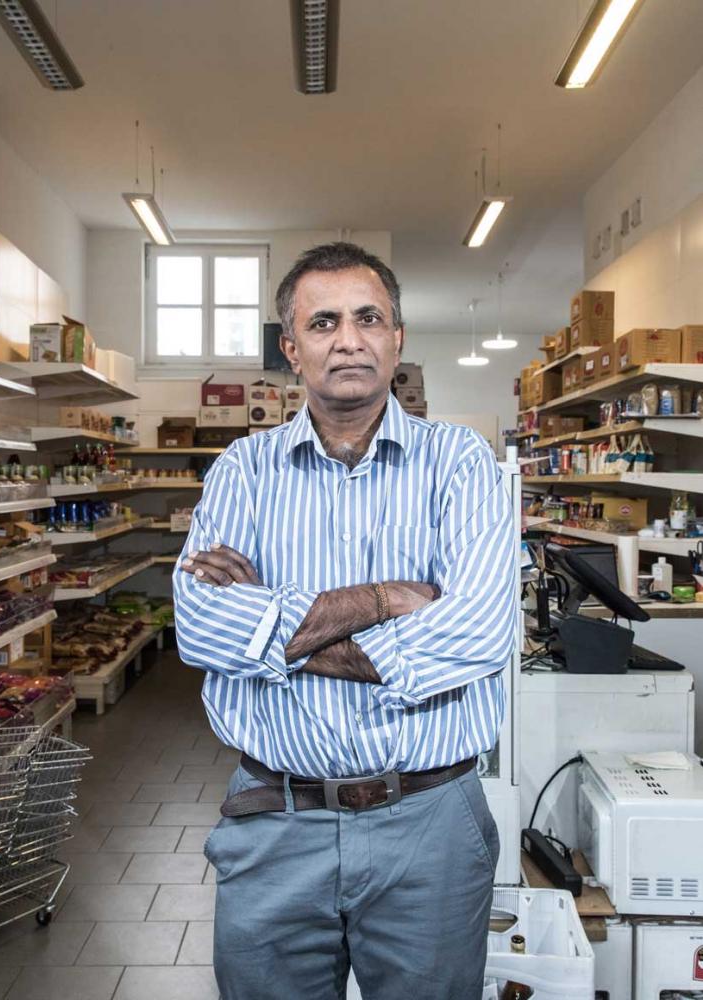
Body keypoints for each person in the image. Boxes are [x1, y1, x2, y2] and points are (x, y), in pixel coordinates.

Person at [173, 242, 516, 1000]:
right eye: (322, 322)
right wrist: (390, 597)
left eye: (369, 318)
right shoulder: (241, 470)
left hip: (428, 822)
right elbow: (200, 628)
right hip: (274, 823)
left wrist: (268, 625)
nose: (349, 338)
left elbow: (480, 632)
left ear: (396, 339)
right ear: (291, 350)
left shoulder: (459, 462)